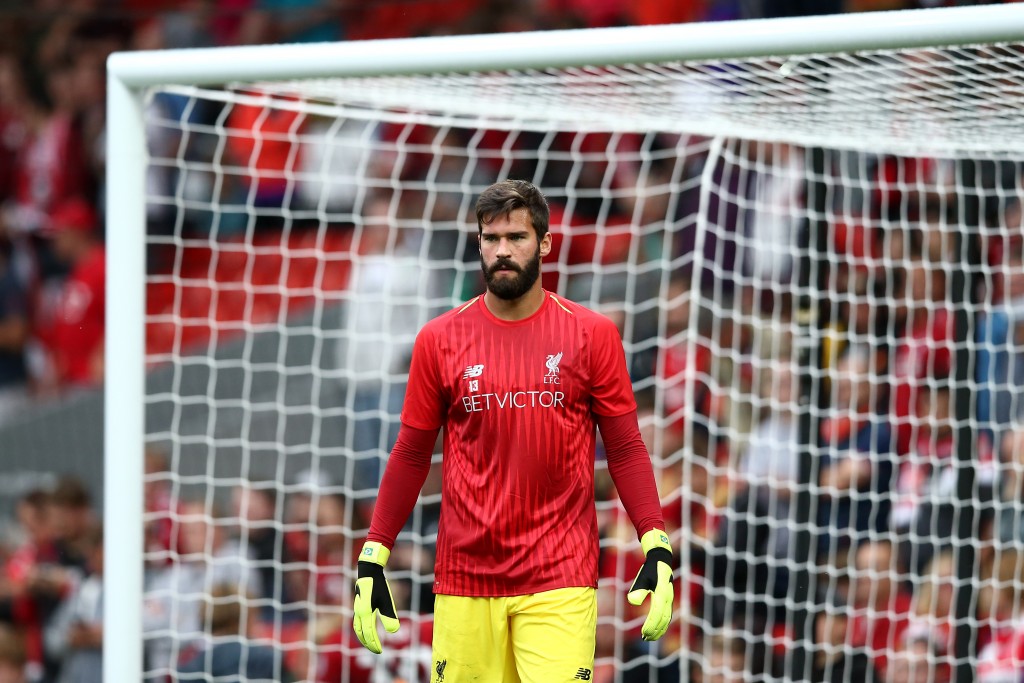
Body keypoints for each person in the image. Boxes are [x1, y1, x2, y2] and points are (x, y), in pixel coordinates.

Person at [350, 179, 673, 681]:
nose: (503, 250)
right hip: (464, 579)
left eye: (516, 237)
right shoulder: (438, 340)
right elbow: (411, 454)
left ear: (543, 243)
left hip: (560, 576)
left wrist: (654, 539)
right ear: (478, 243)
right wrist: (375, 552)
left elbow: (626, 448)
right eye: (491, 238)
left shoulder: (592, 335)